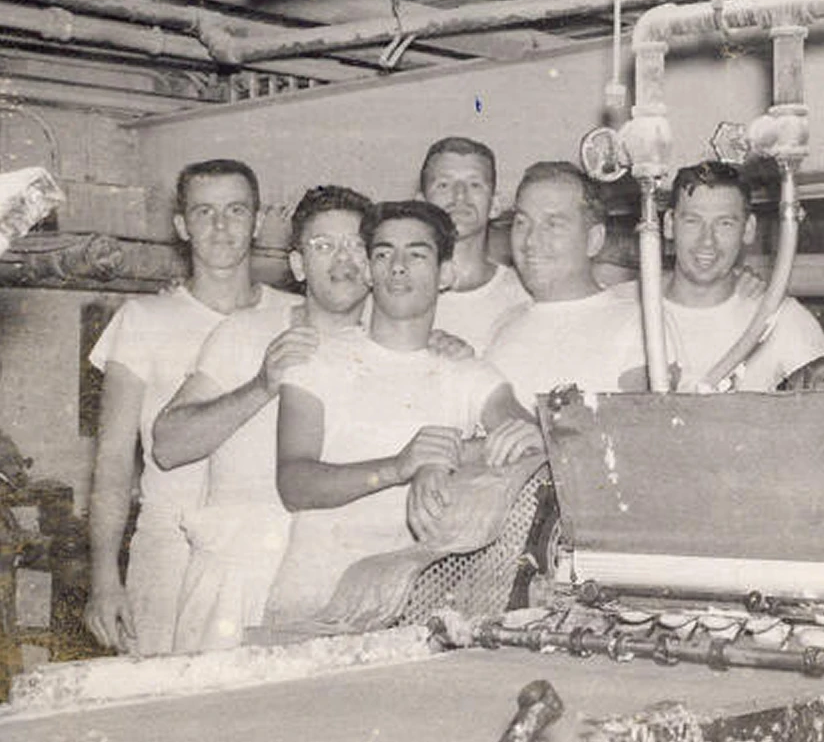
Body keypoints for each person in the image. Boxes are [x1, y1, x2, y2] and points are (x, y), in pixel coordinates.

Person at [264, 199, 541, 625]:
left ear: (445, 273)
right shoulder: (318, 360)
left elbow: (532, 442)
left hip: (417, 606)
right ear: (369, 270)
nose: (397, 266)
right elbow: (295, 483)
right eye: (382, 253)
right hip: (315, 601)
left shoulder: (468, 371)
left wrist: (449, 459)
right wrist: (399, 467)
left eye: (416, 254)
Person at [151, 186, 373, 652]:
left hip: (333, 584)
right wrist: (261, 386)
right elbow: (168, 446)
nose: (342, 259)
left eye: (356, 245)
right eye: (323, 245)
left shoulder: (389, 349)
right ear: (297, 265)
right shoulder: (245, 332)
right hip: (236, 577)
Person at [84, 159, 288, 656]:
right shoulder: (143, 319)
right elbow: (112, 460)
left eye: (236, 210)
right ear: (182, 226)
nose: (221, 226)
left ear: (258, 221)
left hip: (265, 547)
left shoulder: (292, 313)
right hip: (168, 545)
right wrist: (104, 578)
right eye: (204, 212)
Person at [485, 161, 659, 409]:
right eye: (522, 223)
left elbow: (643, 432)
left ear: (594, 240)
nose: (531, 241)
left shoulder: (639, 325)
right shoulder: (503, 323)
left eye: (553, 225)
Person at [662, 161, 824, 392]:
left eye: (725, 223)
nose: (707, 241)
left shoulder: (785, 320)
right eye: (692, 221)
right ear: (669, 224)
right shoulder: (631, 312)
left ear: (748, 229)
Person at [419, 136, 530, 353]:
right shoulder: (393, 294)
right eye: (444, 184)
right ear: (420, 205)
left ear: (495, 204)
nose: (460, 195)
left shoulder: (525, 296)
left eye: (474, 184)